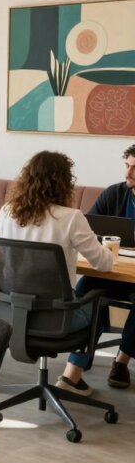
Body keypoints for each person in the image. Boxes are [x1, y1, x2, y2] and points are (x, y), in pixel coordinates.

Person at [0, 151, 114, 396]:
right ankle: (73, 377)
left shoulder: (6, 212)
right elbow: (103, 264)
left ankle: (73, 376)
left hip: (12, 313)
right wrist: (109, 250)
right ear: (63, 182)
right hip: (57, 319)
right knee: (98, 302)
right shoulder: (71, 218)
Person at [67, 144, 135, 389]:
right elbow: (88, 231)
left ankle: (121, 360)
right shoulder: (113, 194)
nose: (128, 173)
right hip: (109, 271)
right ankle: (72, 371)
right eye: (127, 165)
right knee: (85, 291)